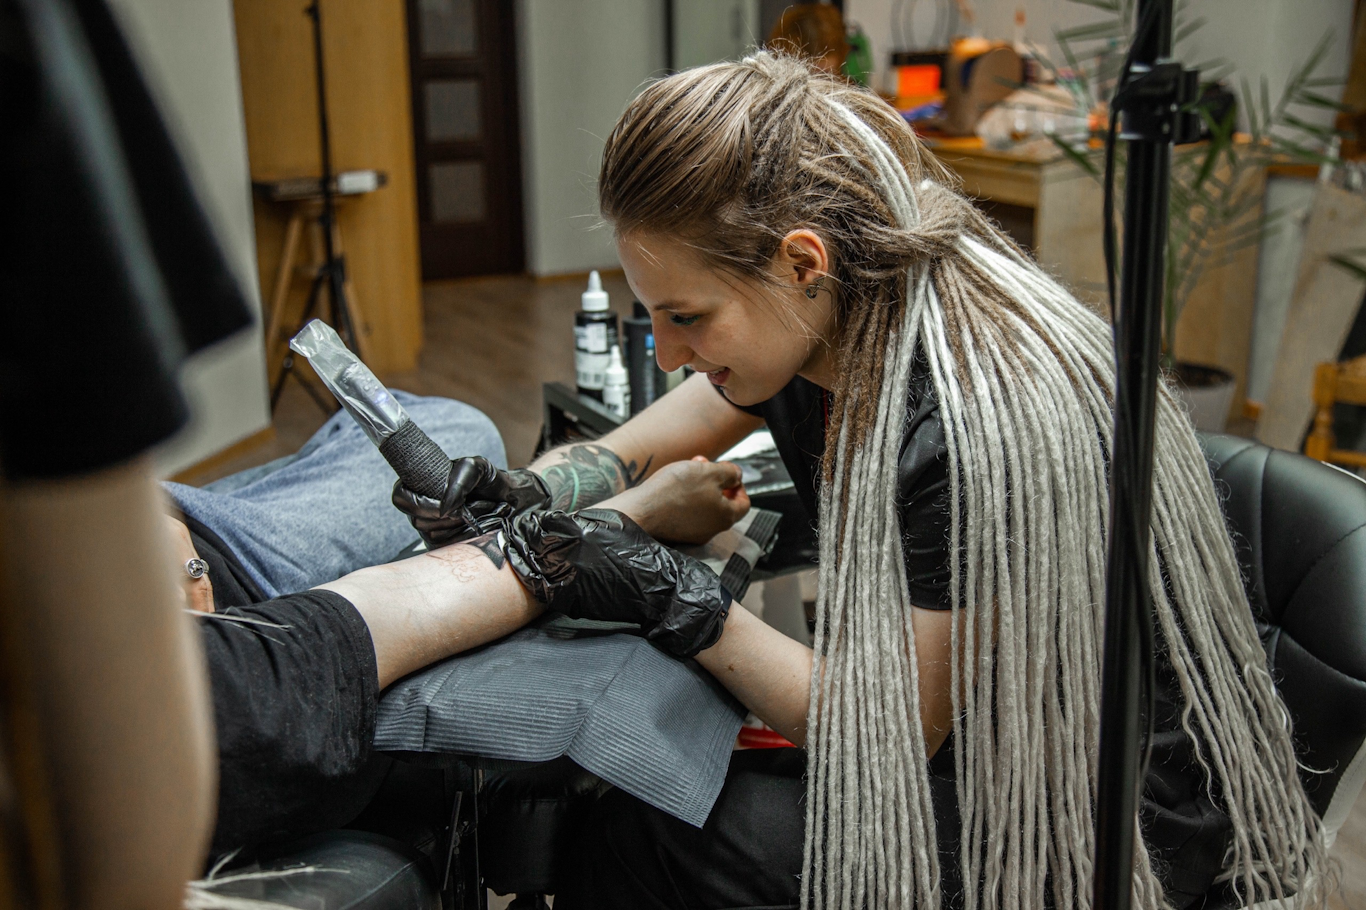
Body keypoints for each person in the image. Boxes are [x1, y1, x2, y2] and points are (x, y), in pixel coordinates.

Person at [396, 52, 1333, 910]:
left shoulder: (962, 427)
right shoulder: (835, 312)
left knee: (639, 833)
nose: (672, 353)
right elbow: (660, 432)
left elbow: (890, 736)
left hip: (1086, 814)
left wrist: (672, 598)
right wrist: (532, 490)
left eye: (686, 316)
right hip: (986, 732)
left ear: (802, 261)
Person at [160, 391, 749, 856]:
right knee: (453, 431)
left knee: (452, 426)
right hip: (224, 598)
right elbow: (504, 569)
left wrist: (156, 517)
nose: (668, 357)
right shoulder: (209, 695)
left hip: (189, 541)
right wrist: (639, 512)